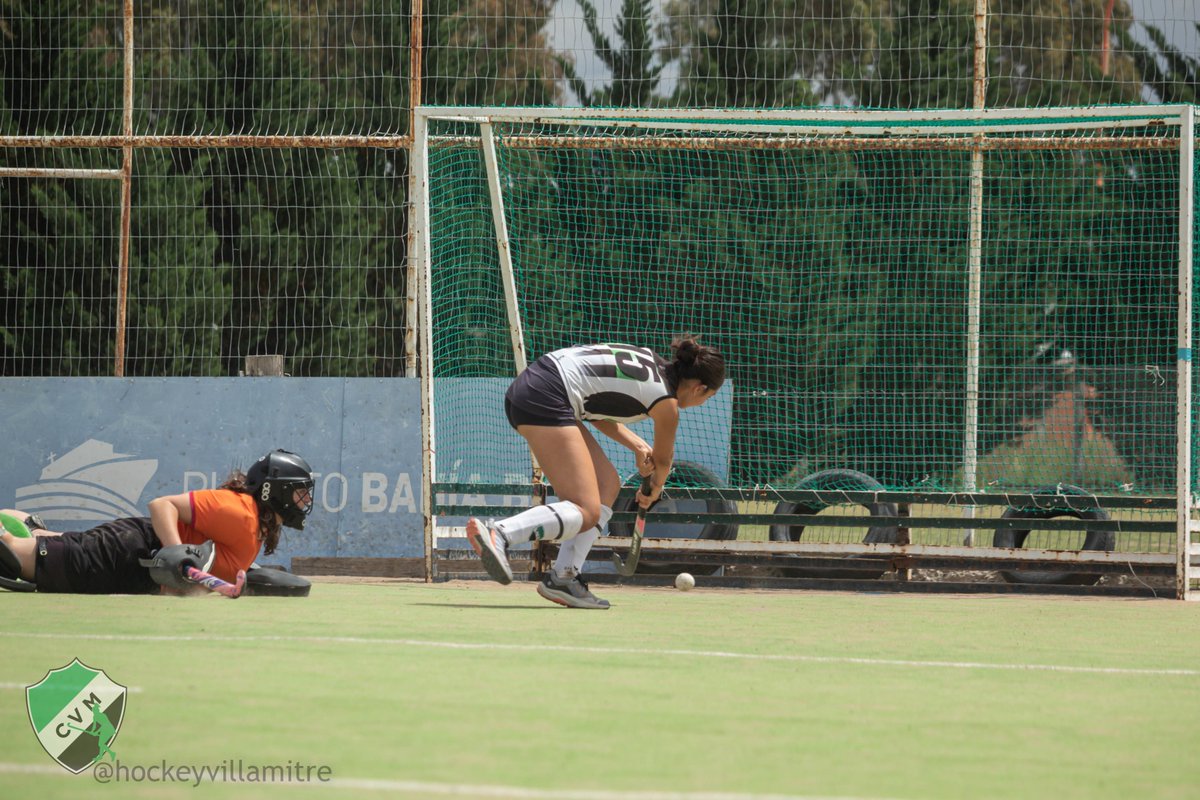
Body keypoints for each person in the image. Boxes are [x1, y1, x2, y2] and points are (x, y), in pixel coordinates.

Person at [467, 335, 725, 609]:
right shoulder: (667, 404)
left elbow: (595, 409)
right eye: (708, 397)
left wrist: (636, 445)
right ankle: (501, 534)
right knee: (587, 511)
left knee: (607, 486)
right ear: (699, 388)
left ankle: (564, 577)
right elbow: (664, 460)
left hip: (542, 385)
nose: (704, 403)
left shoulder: (651, 363)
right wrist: (654, 491)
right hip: (546, 394)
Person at [0, 449, 314, 595]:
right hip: (129, 552)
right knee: (18, 560)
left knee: (47, 541)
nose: (305, 502)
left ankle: (28, 526)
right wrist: (175, 552)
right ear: (276, 489)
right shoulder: (241, 512)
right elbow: (162, 505)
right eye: (300, 494)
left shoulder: (254, 529)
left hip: (135, 566)